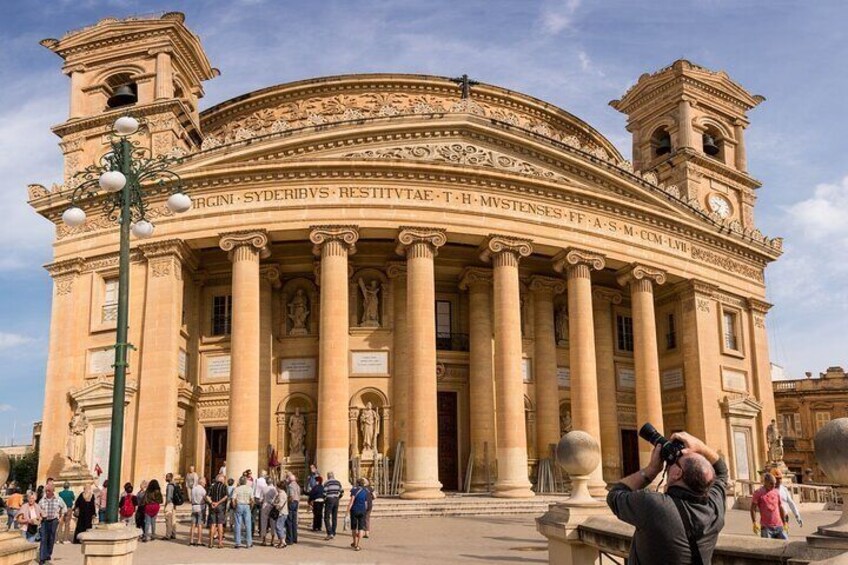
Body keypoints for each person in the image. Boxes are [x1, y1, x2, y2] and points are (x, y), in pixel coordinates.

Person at [607, 431, 728, 564]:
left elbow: (615, 495)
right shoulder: (715, 509)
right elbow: (721, 471)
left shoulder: (654, 505)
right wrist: (701, 447)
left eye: (675, 461)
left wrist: (651, 470)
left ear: (677, 473)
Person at [751, 472, 788, 539]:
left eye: (774, 484)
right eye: (771, 483)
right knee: (767, 547)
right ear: (765, 482)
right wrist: (754, 522)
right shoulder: (758, 493)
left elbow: (780, 507)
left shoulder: (776, 492)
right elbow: (753, 508)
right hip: (766, 527)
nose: (773, 486)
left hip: (779, 526)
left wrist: (784, 522)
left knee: (785, 545)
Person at [37, 481, 67, 565]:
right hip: (44, 521)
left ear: (53, 491)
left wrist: (61, 518)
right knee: (43, 538)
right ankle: (42, 557)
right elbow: (38, 509)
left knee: (51, 538)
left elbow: (64, 508)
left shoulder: (58, 499)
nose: (47, 492)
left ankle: (48, 554)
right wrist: (39, 516)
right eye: (46, 491)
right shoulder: (42, 500)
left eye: (49, 491)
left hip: (54, 520)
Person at [206, 474, 228, 549]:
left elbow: (207, 496)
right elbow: (225, 496)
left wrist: (212, 502)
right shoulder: (224, 486)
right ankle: (220, 543)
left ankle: (211, 542)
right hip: (220, 506)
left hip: (213, 506)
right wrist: (218, 503)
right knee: (220, 525)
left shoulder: (212, 486)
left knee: (213, 524)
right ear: (222, 479)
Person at [233, 475, 254, 549]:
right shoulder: (250, 489)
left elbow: (233, 500)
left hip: (239, 505)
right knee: (248, 524)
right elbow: (252, 500)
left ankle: (238, 543)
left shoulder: (236, 489)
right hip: (247, 505)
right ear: (245, 482)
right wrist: (251, 507)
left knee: (238, 524)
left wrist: (235, 507)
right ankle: (249, 542)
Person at [348, 478, 369, 552]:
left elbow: (351, 501)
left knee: (354, 527)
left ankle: (354, 542)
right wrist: (365, 511)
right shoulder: (365, 492)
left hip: (354, 510)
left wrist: (347, 512)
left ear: (357, 483)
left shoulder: (354, 491)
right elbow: (366, 504)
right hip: (362, 511)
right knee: (361, 528)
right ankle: (358, 545)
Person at [323, 471, 342, 540]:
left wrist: (324, 499)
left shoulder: (327, 483)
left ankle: (329, 533)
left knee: (326, 517)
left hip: (329, 499)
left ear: (328, 476)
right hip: (336, 500)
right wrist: (337, 497)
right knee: (334, 517)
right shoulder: (338, 482)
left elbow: (324, 492)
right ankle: (333, 532)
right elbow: (341, 492)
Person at [189, 477, 207, 546]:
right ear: (201, 482)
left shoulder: (193, 489)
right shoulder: (202, 490)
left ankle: (191, 540)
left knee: (193, 525)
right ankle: (199, 540)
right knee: (200, 525)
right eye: (204, 481)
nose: (205, 483)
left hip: (194, 507)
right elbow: (205, 498)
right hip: (200, 507)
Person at [259, 478, 277, 545]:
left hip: (265, 505)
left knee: (264, 523)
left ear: (266, 482)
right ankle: (272, 540)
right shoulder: (275, 489)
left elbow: (261, 499)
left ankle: (264, 540)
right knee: (273, 522)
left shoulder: (264, 489)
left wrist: (261, 502)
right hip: (272, 506)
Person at [272, 481, 289, 549]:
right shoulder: (281, 493)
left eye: (277, 486)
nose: (276, 487)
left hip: (281, 513)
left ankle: (282, 542)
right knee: (281, 527)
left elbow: (280, 504)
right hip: (283, 512)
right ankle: (282, 541)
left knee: (278, 527)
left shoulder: (281, 494)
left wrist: (274, 505)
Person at [285, 472, 301, 545]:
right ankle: (295, 538)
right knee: (294, 521)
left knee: (289, 521)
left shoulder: (290, 485)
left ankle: (289, 539)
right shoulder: (297, 485)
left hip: (292, 502)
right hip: (296, 502)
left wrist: (287, 502)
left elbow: (291, 496)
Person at [164, 473, 177, 540]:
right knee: (173, 520)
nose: (165, 478)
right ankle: (173, 533)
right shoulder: (175, 484)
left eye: (166, 477)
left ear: (169, 478)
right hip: (174, 504)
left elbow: (169, 497)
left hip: (170, 503)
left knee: (168, 519)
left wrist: (166, 504)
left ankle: (168, 535)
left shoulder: (169, 486)